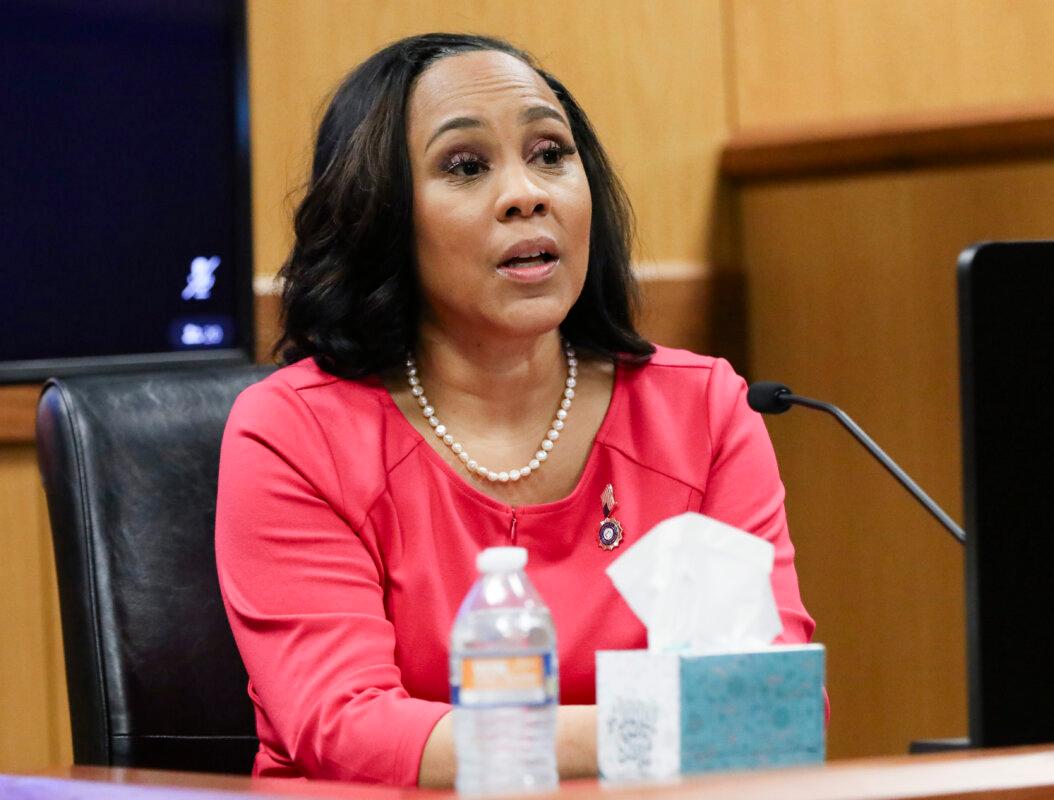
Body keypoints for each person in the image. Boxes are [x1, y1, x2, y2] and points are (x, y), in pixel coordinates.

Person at [215, 32, 816, 789]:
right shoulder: (295, 433)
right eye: (465, 166)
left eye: (550, 154)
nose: (526, 193)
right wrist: (656, 727)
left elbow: (774, 706)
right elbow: (350, 726)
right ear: (384, 213)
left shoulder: (701, 411)